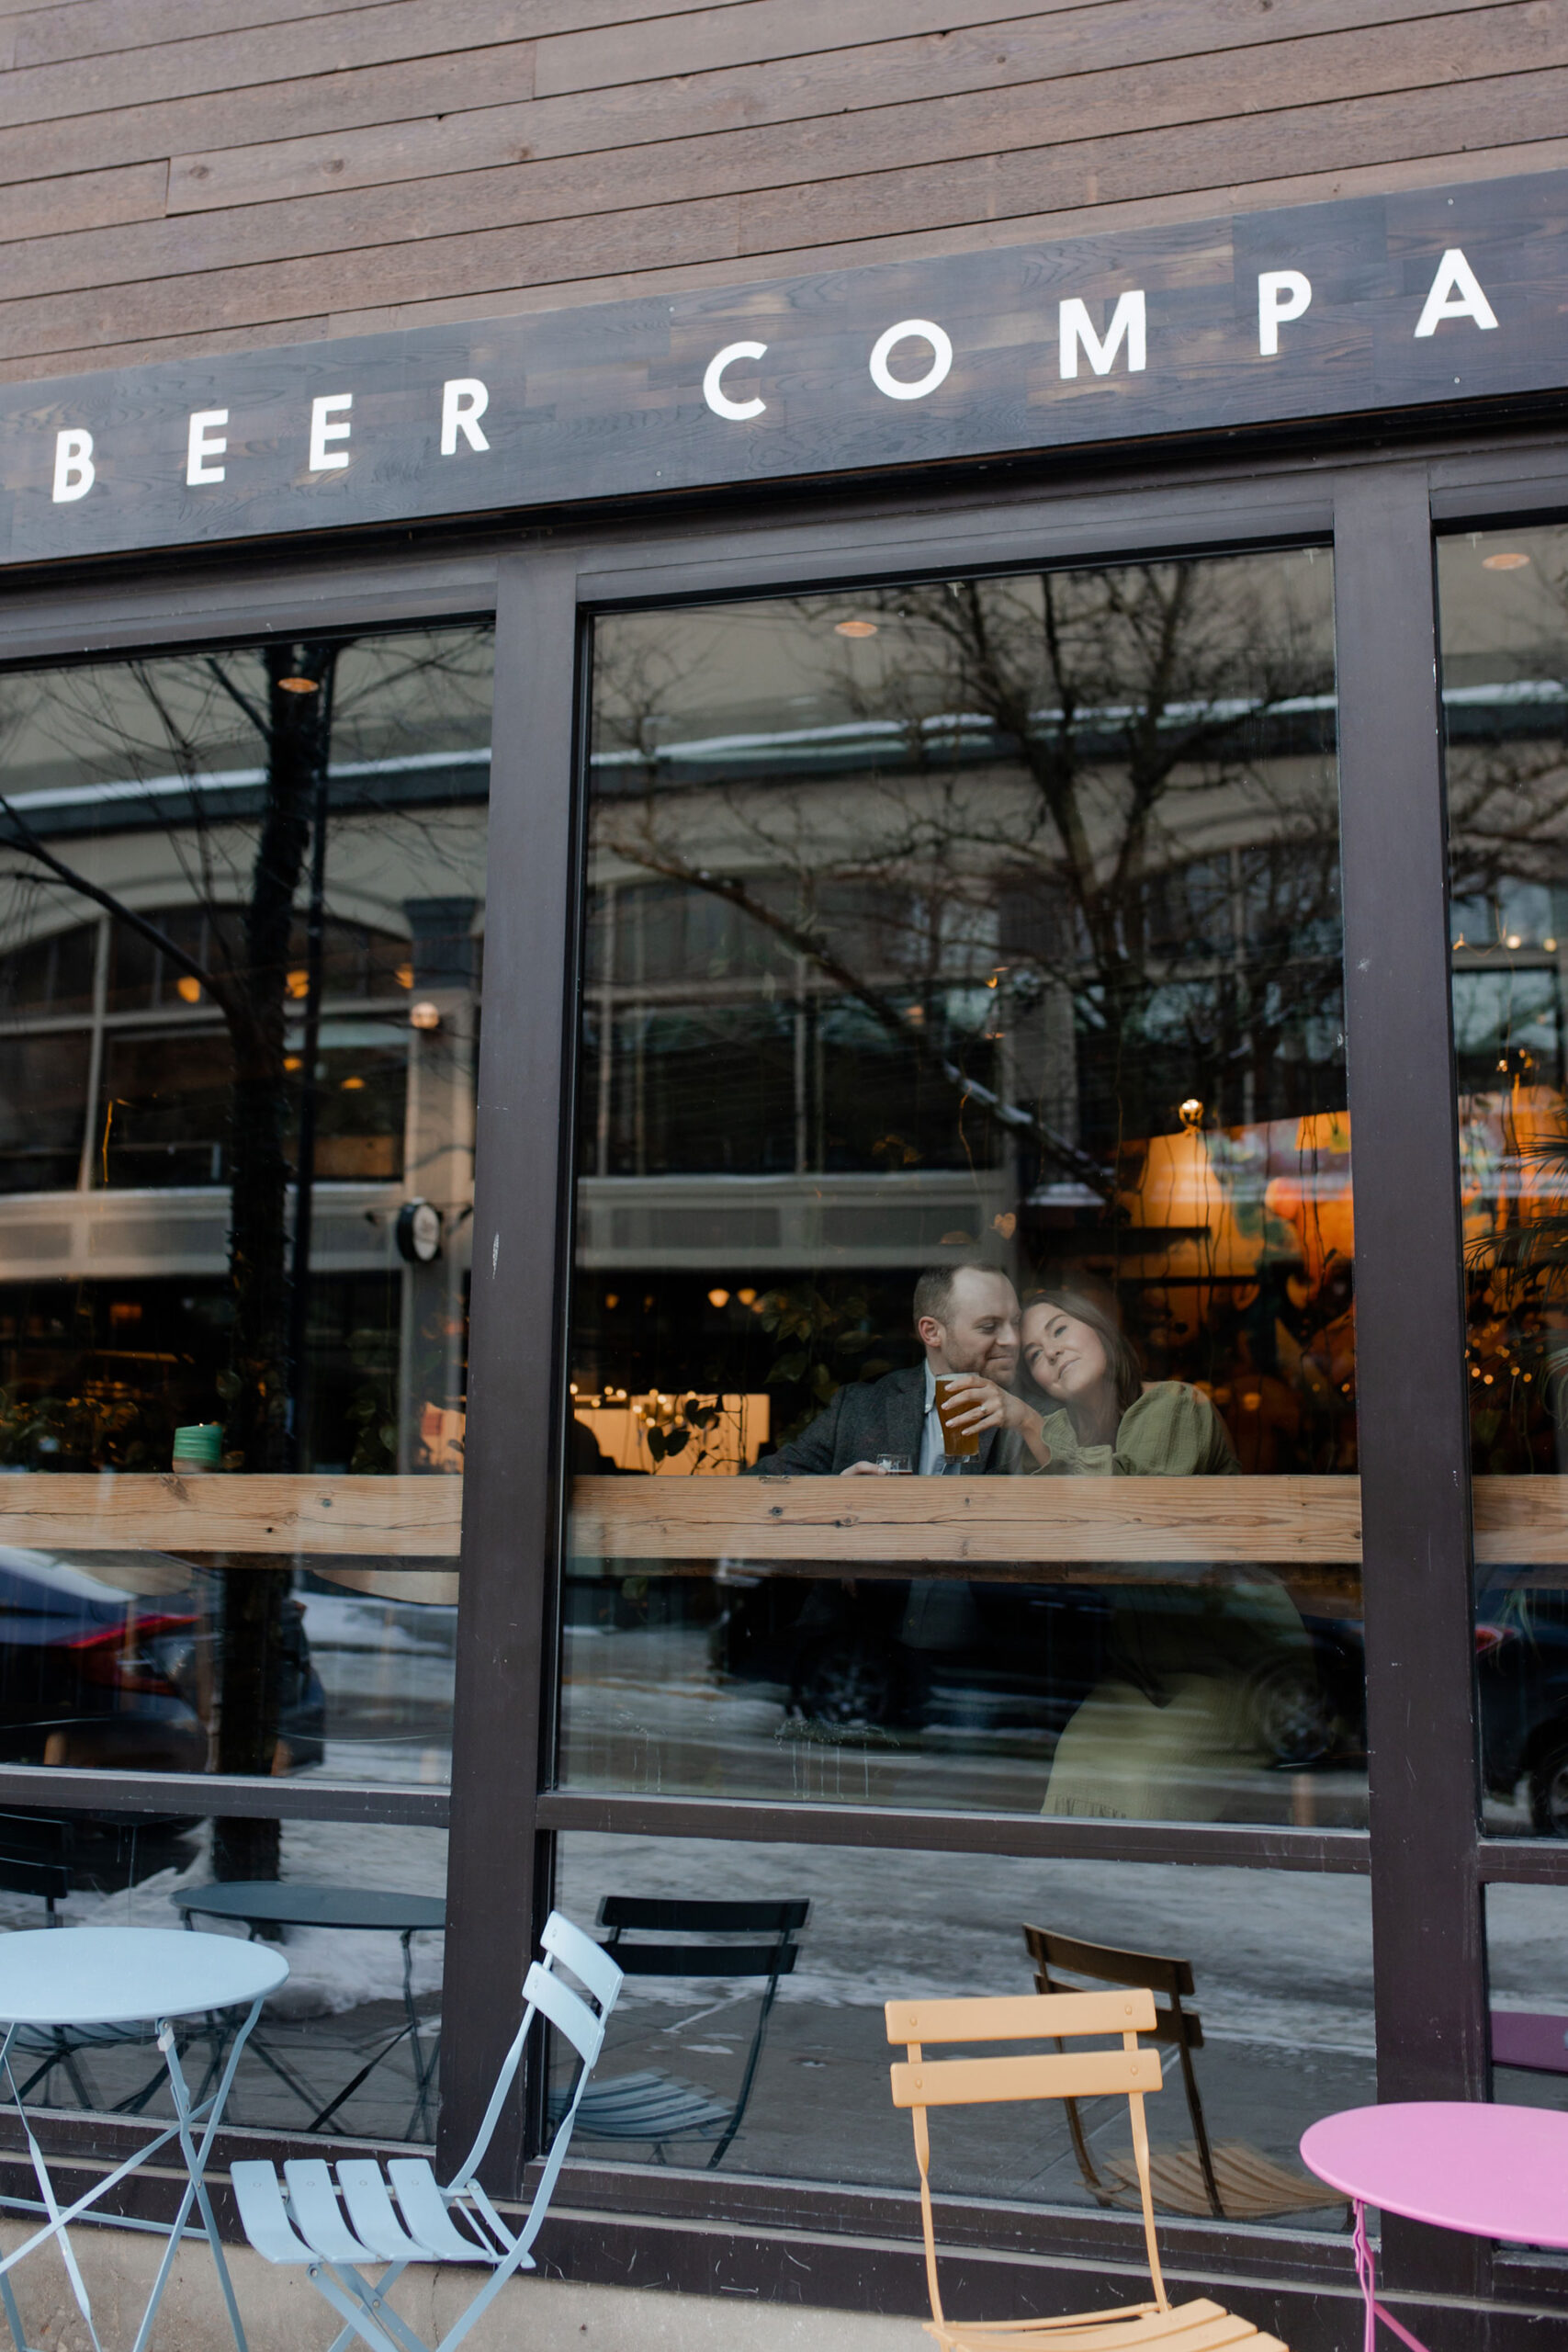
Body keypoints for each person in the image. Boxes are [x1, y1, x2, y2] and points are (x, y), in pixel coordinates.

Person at [1017, 1289, 1313, 1823]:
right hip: (1141, 1669)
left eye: (1059, 1331)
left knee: (1144, 1784)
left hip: (1238, 1664)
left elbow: (1135, 1516)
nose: (1051, 1353)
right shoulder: (1055, 1434)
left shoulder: (1175, 1404)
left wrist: (1028, 1427)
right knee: (1072, 1769)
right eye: (1034, 1354)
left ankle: (1137, 1903)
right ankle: (1073, 1904)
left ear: (1101, 1329)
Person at [755, 1262, 1036, 1476]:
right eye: (989, 1326)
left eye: (1015, 1322)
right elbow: (756, 1484)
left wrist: (1029, 1422)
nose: (1013, 1339)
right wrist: (837, 1500)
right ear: (931, 1332)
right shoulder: (858, 1409)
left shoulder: (1038, 1409)